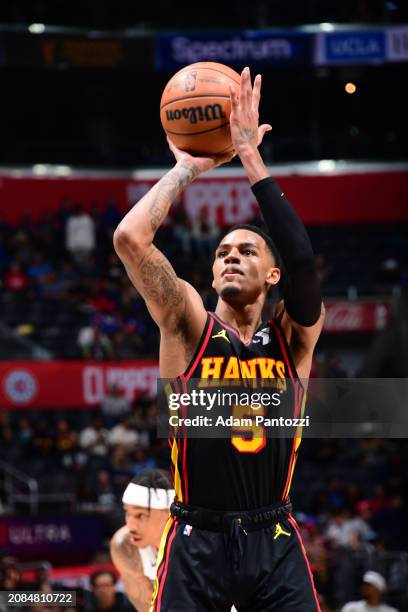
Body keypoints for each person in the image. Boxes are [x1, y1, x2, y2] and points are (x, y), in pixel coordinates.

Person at [114, 66, 325, 611]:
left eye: (247, 250)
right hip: (194, 539)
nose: (231, 255)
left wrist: (251, 157)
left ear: (272, 276)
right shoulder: (187, 325)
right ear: (210, 275)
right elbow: (131, 238)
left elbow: (303, 261)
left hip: (272, 539)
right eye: (222, 252)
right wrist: (186, 167)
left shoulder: (292, 339)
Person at [110, 469, 175, 612]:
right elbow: (148, 607)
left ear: (169, 514)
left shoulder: (196, 542)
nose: (130, 526)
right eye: (128, 512)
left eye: (140, 515)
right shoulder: (125, 546)